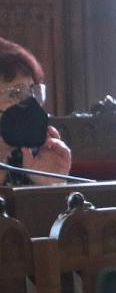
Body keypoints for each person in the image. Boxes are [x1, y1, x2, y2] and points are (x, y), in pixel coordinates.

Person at [0, 37, 73, 186]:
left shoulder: (29, 156)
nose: (31, 104)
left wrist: (52, 183)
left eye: (33, 91)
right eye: (17, 93)